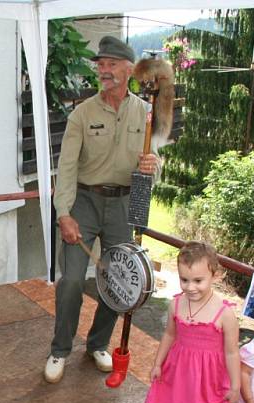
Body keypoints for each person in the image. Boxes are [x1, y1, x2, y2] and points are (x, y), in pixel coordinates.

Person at [44, 36, 161, 384]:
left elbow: (157, 164)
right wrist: (63, 213)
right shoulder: (83, 113)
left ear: (128, 70)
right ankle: (59, 349)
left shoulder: (146, 113)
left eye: (111, 64)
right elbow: (66, 167)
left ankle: (97, 344)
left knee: (118, 280)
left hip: (124, 204)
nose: (104, 70)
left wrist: (154, 165)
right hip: (84, 201)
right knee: (72, 281)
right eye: (101, 64)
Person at [144, 241, 241, 403]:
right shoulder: (176, 304)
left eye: (198, 280)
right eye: (184, 280)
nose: (190, 287)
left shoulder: (224, 314)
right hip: (178, 372)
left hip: (206, 379)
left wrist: (235, 384)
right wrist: (158, 363)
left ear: (215, 275)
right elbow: (169, 335)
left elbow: (232, 352)